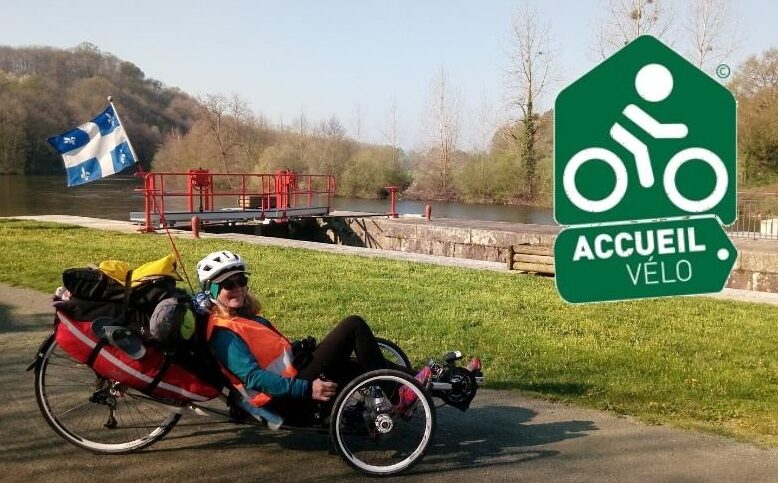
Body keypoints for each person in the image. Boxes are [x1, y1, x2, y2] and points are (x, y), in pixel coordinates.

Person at [196, 250, 431, 426]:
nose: (237, 288)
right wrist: (308, 389)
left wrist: (297, 348)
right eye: (228, 284)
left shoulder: (241, 318)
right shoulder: (223, 334)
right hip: (285, 400)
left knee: (352, 366)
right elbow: (254, 378)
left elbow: (271, 355)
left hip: (294, 377)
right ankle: (400, 393)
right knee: (353, 325)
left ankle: (422, 381)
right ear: (213, 290)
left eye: (241, 281)